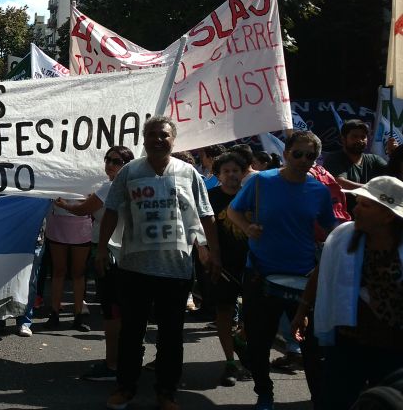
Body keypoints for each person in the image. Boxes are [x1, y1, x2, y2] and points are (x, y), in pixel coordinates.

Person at [97, 116, 220, 410]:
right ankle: (125, 388)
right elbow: (111, 210)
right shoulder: (129, 172)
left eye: (164, 135)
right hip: (134, 268)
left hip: (176, 269)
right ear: (144, 139)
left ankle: (166, 392)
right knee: (131, 332)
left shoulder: (188, 173)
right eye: (152, 134)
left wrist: (214, 252)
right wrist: (101, 249)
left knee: (171, 335)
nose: (158, 139)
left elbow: (206, 215)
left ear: (173, 140)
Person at [227, 130, 338, 410]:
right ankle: (264, 394)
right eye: (298, 154)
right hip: (261, 275)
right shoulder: (261, 182)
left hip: (304, 279)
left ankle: (320, 400)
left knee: (312, 347)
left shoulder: (318, 191)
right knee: (259, 342)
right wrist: (247, 228)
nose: (303, 160)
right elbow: (233, 211)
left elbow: (331, 229)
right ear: (286, 153)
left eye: (310, 156)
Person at [291, 176, 403, 409]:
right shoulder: (343, 237)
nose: (355, 209)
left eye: (365, 205)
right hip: (348, 341)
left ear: (388, 216)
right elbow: (321, 273)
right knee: (335, 401)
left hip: (393, 346)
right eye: (358, 202)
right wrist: (302, 310)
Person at [56, 145, 134, 381]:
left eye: (117, 161)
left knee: (111, 312)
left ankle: (112, 365)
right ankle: (127, 360)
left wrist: (63, 204)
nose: (110, 164)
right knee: (126, 310)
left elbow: (82, 210)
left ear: (127, 165)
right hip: (129, 254)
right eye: (108, 159)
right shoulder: (134, 186)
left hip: (108, 254)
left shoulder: (110, 187)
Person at [206, 152, 252, 387]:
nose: (231, 175)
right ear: (218, 175)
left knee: (255, 314)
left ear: (243, 173)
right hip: (222, 265)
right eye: (226, 171)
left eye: (236, 170)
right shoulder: (210, 197)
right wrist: (205, 252)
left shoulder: (252, 195)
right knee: (224, 311)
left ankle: (241, 339)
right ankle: (230, 362)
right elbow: (198, 227)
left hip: (252, 264)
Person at [44, 152, 96, 332]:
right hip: (58, 223)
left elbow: (94, 197)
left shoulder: (91, 172)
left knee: (78, 273)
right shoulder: (55, 169)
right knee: (58, 271)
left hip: (81, 226)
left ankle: (78, 316)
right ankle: (54, 313)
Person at [323, 120, 388, 206]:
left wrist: (394, 153)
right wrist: (372, 189)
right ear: (343, 139)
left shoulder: (374, 159)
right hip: (344, 212)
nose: (360, 140)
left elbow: (394, 174)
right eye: (354, 137)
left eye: (363, 137)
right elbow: (339, 182)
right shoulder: (334, 159)